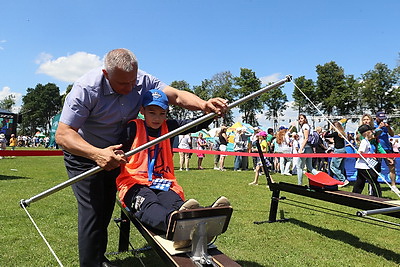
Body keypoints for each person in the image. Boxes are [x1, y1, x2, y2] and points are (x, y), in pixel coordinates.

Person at [55, 48, 228, 267]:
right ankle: (92, 264)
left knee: (106, 208)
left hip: (119, 158)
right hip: (85, 154)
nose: (130, 88)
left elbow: (175, 95)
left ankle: (99, 258)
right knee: (93, 211)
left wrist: (203, 105)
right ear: (106, 75)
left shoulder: (142, 80)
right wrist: (97, 154)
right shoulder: (85, 88)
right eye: (122, 84)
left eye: (132, 81)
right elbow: (63, 134)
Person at [116, 89, 230, 248]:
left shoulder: (169, 126)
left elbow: (194, 125)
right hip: (133, 183)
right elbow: (115, 150)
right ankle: (181, 230)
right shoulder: (132, 128)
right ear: (142, 111)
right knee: (150, 203)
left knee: (175, 202)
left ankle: (202, 221)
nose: (157, 118)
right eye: (152, 112)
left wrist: (212, 113)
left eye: (162, 113)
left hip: (162, 182)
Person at [352, 124, 381, 197]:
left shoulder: (367, 142)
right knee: (374, 181)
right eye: (371, 131)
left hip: (363, 165)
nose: (372, 132)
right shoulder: (364, 142)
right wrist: (361, 154)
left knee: (360, 182)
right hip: (364, 166)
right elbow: (360, 152)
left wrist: (372, 156)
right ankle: (378, 196)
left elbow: (367, 152)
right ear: (367, 133)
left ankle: (354, 195)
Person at [374, 111, 398, 193]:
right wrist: (379, 128)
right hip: (377, 149)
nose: (381, 120)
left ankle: (393, 185)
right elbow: (372, 136)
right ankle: (374, 185)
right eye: (380, 119)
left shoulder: (386, 125)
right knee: (376, 168)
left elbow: (392, 134)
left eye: (383, 119)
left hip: (387, 149)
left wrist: (388, 128)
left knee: (392, 167)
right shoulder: (373, 125)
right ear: (376, 118)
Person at [324, 121, 349, 186]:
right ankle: (341, 181)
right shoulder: (342, 133)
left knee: (333, 166)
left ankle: (343, 179)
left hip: (338, 151)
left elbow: (325, 136)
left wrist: (329, 129)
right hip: (343, 150)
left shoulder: (336, 133)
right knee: (341, 167)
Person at [297, 114, 319, 185]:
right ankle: (320, 176)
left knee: (299, 167)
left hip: (305, 149)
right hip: (309, 149)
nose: (300, 120)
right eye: (299, 118)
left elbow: (306, 138)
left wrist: (301, 148)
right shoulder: (305, 127)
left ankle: (299, 184)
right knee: (310, 167)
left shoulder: (305, 126)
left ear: (305, 119)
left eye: (301, 118)